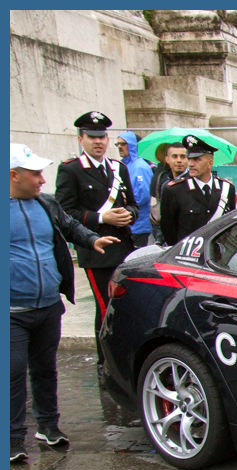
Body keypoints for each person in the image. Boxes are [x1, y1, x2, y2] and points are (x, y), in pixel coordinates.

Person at [10, 143, 119, 463]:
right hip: (12, 312)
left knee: (45, 369)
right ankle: (14, 439)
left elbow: (71, 227)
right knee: (14, 373)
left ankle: (48, 426)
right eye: (35, 174)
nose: (42, 180)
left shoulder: (45, 204)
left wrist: (92, 239)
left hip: (47, 306)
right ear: (13, 176)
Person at [55, 111, 138, 370]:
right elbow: (65, 212)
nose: (98, 142)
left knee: (126, 307)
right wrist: (102, 217)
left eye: (102, 136)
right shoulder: (71, 170)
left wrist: (128, 216)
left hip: (123, 248)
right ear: (81, 139)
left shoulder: (119, 168)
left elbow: (134, 205)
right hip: (96, 251)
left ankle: (124, 358)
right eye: (91, 137)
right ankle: (107, 365)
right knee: (106, 308)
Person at [160, 135, 236, 245]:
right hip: (187, 257)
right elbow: (169, 233)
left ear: (210, 163)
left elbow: (230, 226)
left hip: (217, 255)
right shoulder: (175, 190)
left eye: (197, 159)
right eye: (189, 159)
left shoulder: (227, 188)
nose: (190, 164)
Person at [115, 131, 154, 247]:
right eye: (117, 144)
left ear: (132, 145)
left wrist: (122, 206)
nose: (120, 147)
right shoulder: (122, 165)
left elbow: (143, 195)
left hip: (139, 224)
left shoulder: (140, 167)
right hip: (127, 223)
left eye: (123, 144)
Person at [150, 141, 189, 246]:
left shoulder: (193, 182)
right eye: (175, 156)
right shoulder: (166, 185)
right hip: (171, 243)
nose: (179, 160)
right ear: (167, 159)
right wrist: (159, 240)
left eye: (183, 156)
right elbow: (164, 219)